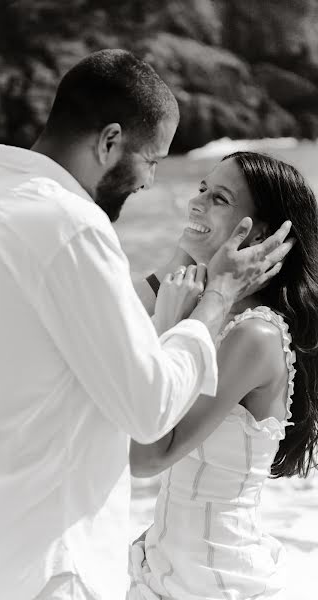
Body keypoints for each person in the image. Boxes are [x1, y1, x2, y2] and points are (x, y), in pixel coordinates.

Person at [0, 47, 292, 600]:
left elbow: (76, 316)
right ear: (109, 141)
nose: (150, 181)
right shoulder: (72, 227)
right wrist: (216, 297)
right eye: (154, 160)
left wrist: (179, 271)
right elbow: (149, 411)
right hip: (42, 562)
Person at [129, 151, 318, 600]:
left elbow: (147, 457)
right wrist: (185, 251)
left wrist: (164, 327)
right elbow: (107, 326)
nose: (196, 203)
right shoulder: (207, 313)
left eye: (219, 198)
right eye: (200, 189)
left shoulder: (255, 335)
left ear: (262, 235)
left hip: (219, 580)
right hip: (165, 566)